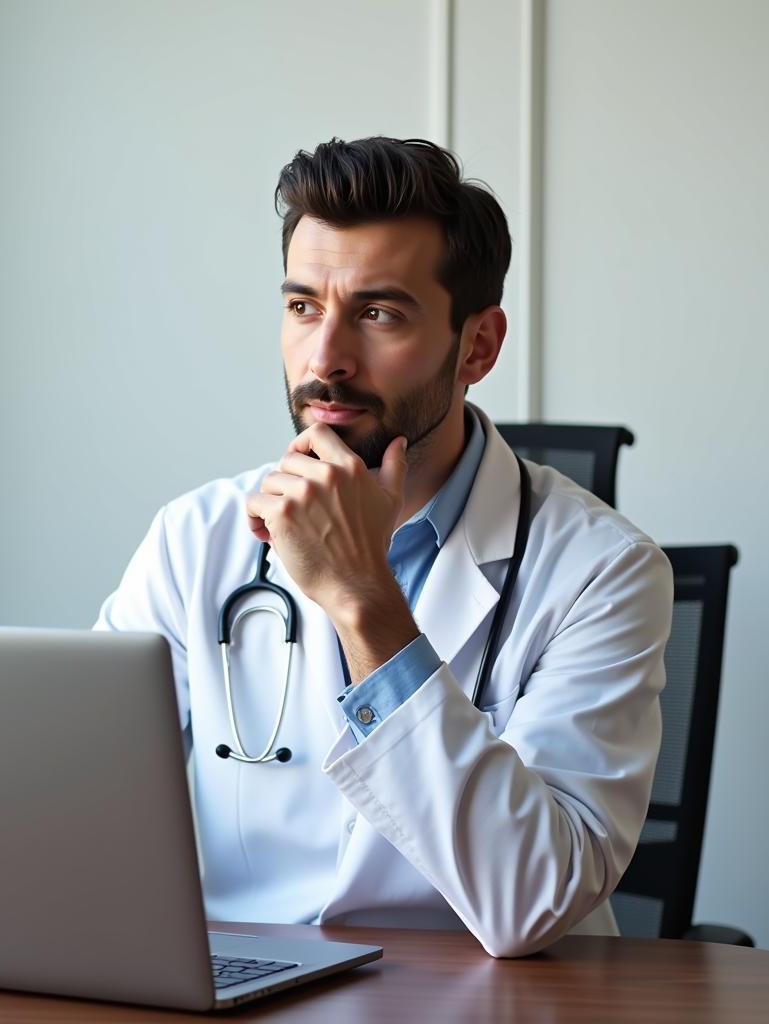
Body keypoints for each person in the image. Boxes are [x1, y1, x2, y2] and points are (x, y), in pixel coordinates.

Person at [95, 137, 672, 958]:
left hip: (489, 1003)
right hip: (237, 992)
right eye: (302, 308)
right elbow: (80, 813)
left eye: (378, 314)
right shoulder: (196, 540)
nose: (325, 359)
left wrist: (364, 600)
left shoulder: (603, 572)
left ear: (477, 345)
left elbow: (535, 900)